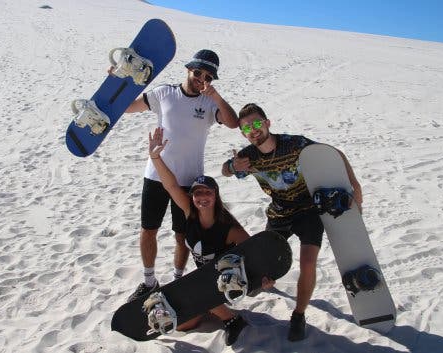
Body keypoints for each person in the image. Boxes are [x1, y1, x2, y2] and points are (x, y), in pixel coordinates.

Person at [221, 103, 362, 341]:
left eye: (257, 124)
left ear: (267, 123)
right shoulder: (248, 156)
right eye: (246, 128)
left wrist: (355, 186)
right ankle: (263, 282)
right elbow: (225, 171)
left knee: (308, 262)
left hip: (308, 211)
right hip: (278, 213)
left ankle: (298, 315)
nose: (253, 130)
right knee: (263, 270)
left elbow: (334, 153)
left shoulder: (294, 144)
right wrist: (232, 167)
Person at [122, 49, 239, 302]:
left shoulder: (209, 103)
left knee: (182, 236)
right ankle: (149, 281)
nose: (201, 79)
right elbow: (129, 108)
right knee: (148, 229)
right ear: (188, 69)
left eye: (208, 76)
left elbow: (233, 123)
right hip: (156, 174)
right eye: (198, 72)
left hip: (189, 181)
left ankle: (177, 279)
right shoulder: (164, 92)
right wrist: (120, 83)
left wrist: (217, 96)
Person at [148, 127, 269, 346]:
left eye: (208, 192)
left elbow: (256, 251)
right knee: (183, 324)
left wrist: (264, 280)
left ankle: (232, 319)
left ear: (215, 196)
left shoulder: (228, 228)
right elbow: (171, 185)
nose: (202, 197)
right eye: (197, 193)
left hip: (228, 282)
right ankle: (213, 310)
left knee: (201, 290)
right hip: (205, 281)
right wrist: (155, 157)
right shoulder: (189, 212)